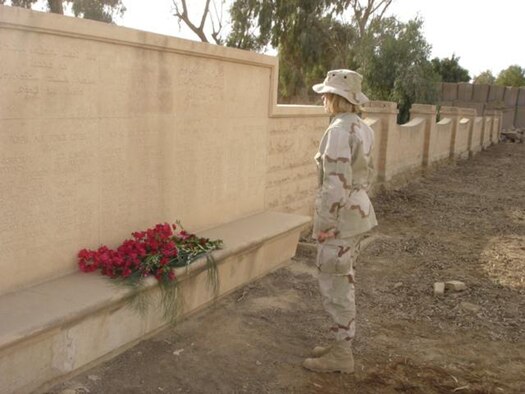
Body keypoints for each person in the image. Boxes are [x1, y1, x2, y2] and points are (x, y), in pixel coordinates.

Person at [303, 69, 378, 374]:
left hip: (341, 220)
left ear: (337, 98)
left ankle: (341, 355)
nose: (323, 98)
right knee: (342, 279)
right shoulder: (362, 127)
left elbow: (335, 184)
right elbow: (365, 175)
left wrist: (324, 226)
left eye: (326, 94)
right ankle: (339, 342)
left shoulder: (337, 131)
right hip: (358, 215)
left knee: (336, 285)